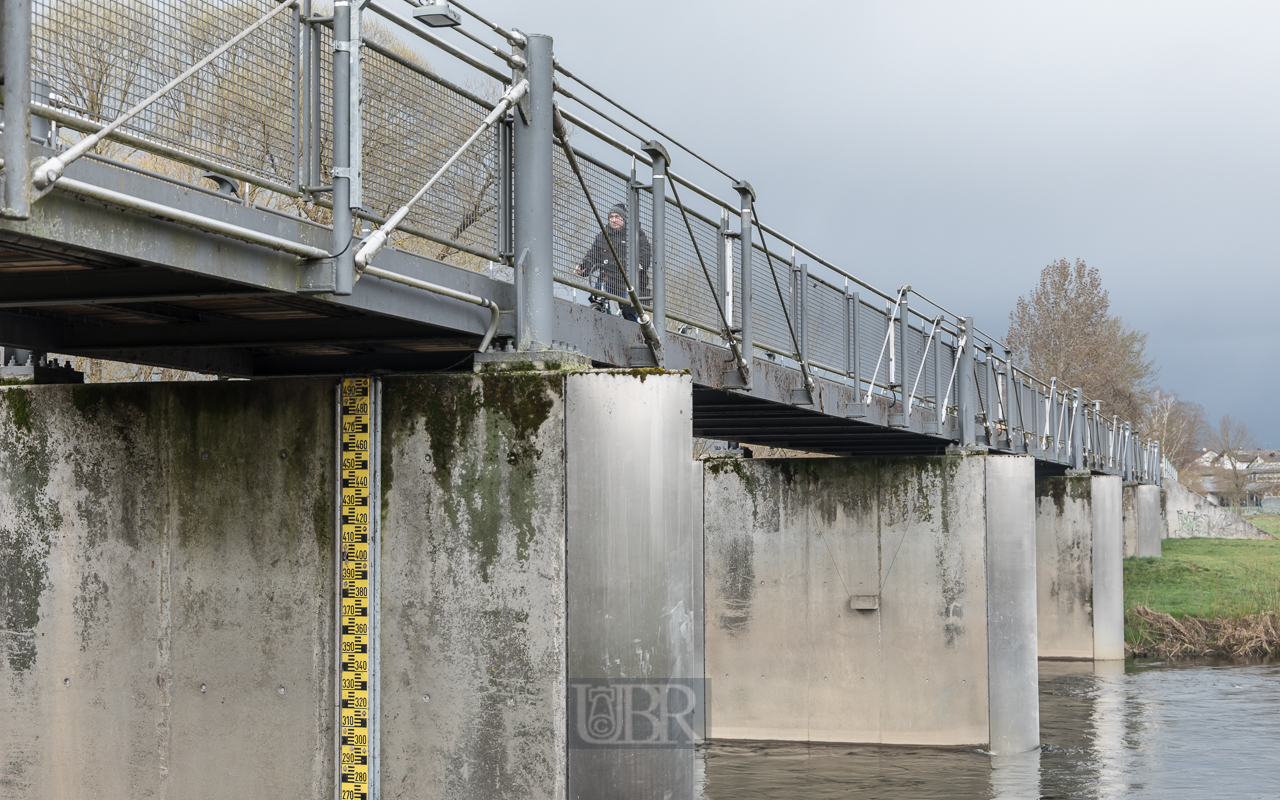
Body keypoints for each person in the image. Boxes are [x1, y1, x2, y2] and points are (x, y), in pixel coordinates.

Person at [575, 203, 651, 322]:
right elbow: (593, 254)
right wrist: (584, 266)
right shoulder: (602, 236)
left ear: (624, 219)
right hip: (609, 277)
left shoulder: (636, 235)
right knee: (597, 297)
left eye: (617, 217)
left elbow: (644, 251)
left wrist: (640, 264)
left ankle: (637, 332)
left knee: (629, 310)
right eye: (611, 217)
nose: (613, 220)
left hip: (629, 281)